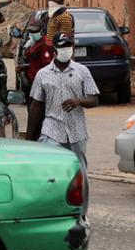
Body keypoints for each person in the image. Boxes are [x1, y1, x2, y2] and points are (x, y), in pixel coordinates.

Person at [29, 31, 98, 176]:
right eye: (62, 47)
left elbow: (94, 99)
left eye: (68, 46)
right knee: (50, 172)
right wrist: (30, 138)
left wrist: (78, 101)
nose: (66, 50)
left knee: (79, 173)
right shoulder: (43, 74)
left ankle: (80, 198)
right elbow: (36, 105)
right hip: (51, 130)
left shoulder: (82, 71)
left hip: (76, 131)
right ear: (54, 50)